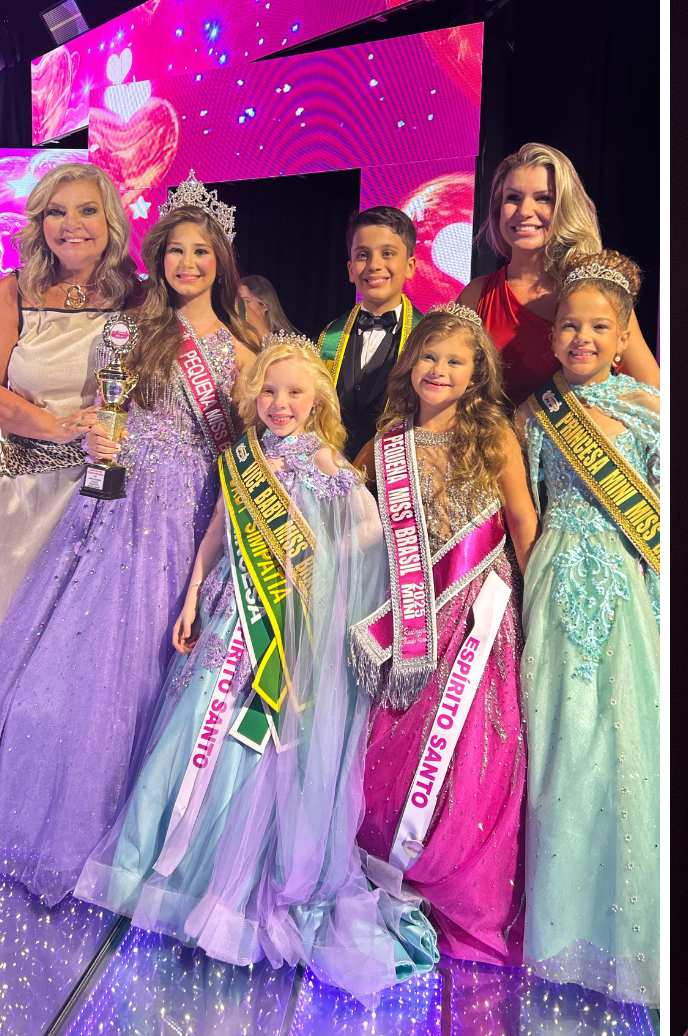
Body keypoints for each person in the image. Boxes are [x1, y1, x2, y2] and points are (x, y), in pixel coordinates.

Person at [74, 339, 437, 1002]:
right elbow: (218, 525)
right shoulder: (243, 456)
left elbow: (367, 537)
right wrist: (191, 592)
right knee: (190, 735)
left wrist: (318, 590)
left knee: (248, 751)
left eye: (295, 393)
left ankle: (227, 894)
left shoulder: (327, 462)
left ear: (319, 400)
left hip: (278, 637)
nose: (279, 404)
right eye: (270, 392)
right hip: (225, 615)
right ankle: (162, 877)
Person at [0, 174, 257, 905]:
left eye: (200, 253)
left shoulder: (243, 344)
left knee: (153, 660)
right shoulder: (137, 326)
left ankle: (138, 825)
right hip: (114, 503)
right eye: (173, 251)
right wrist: (100, 439)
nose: (185, 265)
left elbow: (255, 434)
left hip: (189, 512)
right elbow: (111, 402)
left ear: (221, 261)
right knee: (83, 653)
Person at [350, 304, 535, 971]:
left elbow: (520, 522)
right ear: (412, 362)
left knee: (475, 757)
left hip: (479, 619)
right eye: (430, 355)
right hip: (407, 616)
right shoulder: (387, 442)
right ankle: (387, 874)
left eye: (456, 360)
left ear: (476, 373)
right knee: (388, 743)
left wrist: (532, 604)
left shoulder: (494, 437)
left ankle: (449, 887)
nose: (439, 369)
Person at [516, 250, 658, 1005]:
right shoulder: (534, 413)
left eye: (599, 327)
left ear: (623, 333)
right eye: (569, 325)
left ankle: (624, 930)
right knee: (560, 741)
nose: (581, 338)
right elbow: (528, 510)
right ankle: (557, 925)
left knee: (623, 737)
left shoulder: (648, 409)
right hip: (555, 575)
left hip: (629, 584)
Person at [0, 162, 139, 620]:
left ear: (110, 222)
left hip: (111, 494)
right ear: (41, 224)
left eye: (87, 210)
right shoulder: (12, 292)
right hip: (26, 493)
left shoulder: (139, 298)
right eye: (57, 212)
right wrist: (57, 427)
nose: (72, 225)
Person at [455, 144, 659, 405]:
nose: (524, 211)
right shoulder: (477, 295)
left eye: (543, 198)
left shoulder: (598, 293)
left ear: (565, 207)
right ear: (497, 209)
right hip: (492, 444)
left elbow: (653, 396)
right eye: (513, 198)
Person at [319, 206, 422, 461]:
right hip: (335, 482)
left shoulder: (428, 338)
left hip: (400, 484)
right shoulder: (328, 337)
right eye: (363, 255)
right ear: (351, 269)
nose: (374, 265)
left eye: (388, 253)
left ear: (410, 266)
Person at [237, 275, 296, 343]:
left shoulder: (283, 340)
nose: (239, 307)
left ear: (265, 305)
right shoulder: (235, 337)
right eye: (237, 303)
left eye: (246, 302)